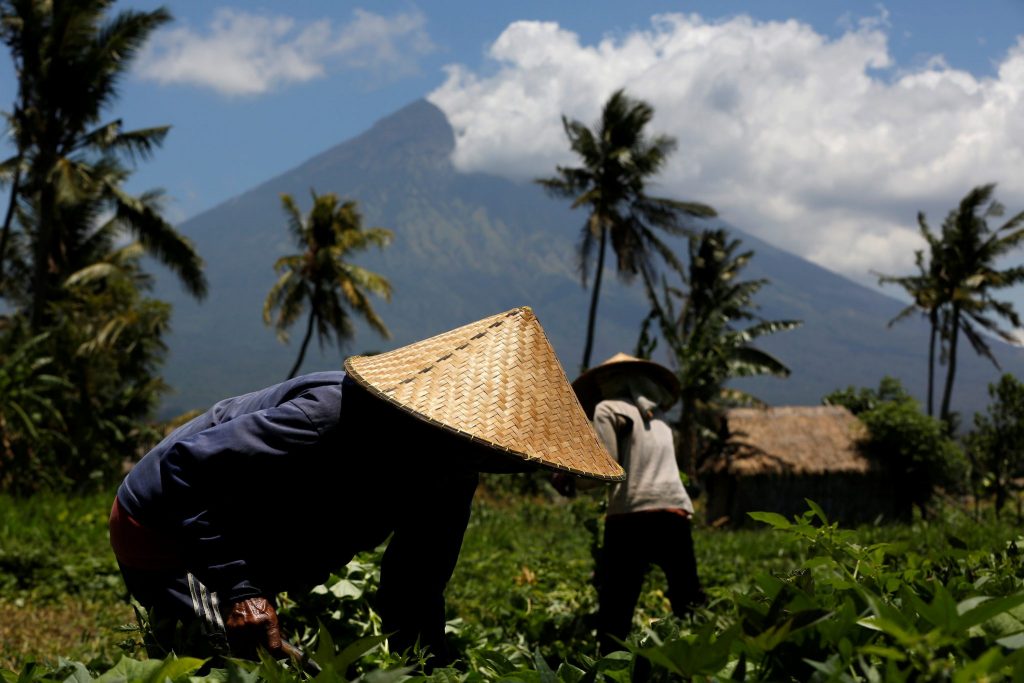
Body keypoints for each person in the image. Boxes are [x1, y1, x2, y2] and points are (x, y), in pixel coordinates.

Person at [109, 307, 624, 666]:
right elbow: (184, 471)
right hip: (164, 526)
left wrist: (426, 667)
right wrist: (241, 591)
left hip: (250, 541)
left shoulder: (454, 470)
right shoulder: (332, 416)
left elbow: (414, 584)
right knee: (221, 665)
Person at [570, 353, 705, 653]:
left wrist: (572, 479)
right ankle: (697, 660)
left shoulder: (608, 409)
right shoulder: (660, 421)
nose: (603, 384)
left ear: (618, 380)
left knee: (616, 604)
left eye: (606, 379)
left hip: (631, 515)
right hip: (674, 511)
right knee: (687, 597)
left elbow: (608, 470)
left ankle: (611, 665)